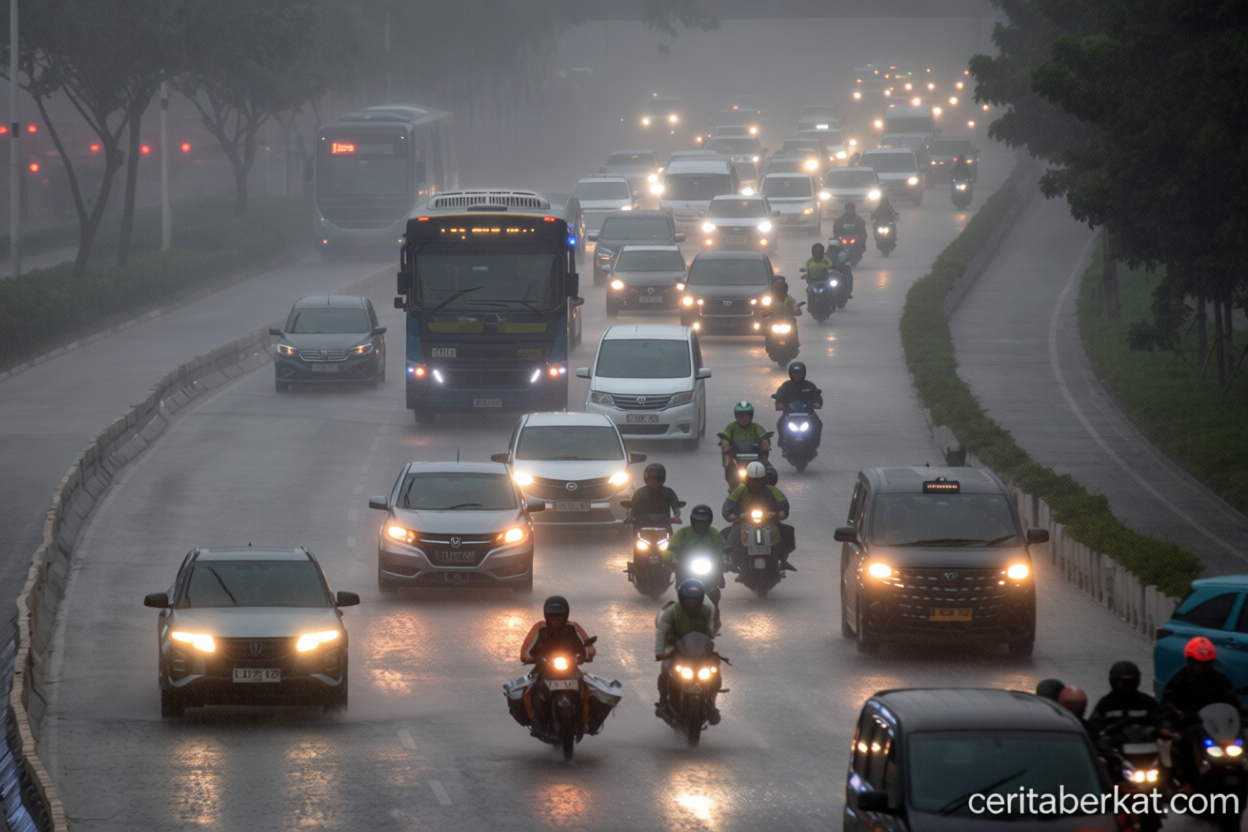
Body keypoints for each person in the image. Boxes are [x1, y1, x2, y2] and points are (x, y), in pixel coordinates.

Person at [1162, 637, 1242, 789]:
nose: (1201, 666)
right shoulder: (1181, 677)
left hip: (1218, 725)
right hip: (1190, 722)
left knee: (1240, 737)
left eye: (1206, 663)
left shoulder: (1220, 677)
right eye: (1197, 662)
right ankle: (1188, 781)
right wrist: (1177, 712)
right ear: (1190, 661)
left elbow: (1232, 700)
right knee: (1186, 740)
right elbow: (1167, 700)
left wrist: (1240, 711)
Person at [514, 596, 597, 728]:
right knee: (533, 688)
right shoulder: (540, 628)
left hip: (571, 668)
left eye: (560, 615)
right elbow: (525, 651)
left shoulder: (573, 627)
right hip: (543, 668)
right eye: (552, 615)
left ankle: (584, 721)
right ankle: (536, 721)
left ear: (566, 615)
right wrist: (532, 658)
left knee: (587, 687)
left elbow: (589, 648)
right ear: (546, 615)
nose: (556, 618)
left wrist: (583, 656)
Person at [655, 579, 722, 724]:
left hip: (699, 650)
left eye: (695, 599)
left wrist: (713, 633)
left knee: (715, 670)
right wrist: (660, 652)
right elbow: (662, 632)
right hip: (676, 649)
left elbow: (710, 632)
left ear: (700, 599)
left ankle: (712, 703)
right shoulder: (672, 611)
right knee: (666, 672)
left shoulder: (706, 611)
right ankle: (663, 702)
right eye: (688, 599)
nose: (692, 602)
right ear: (682, 599)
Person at [664, 504, 731, 628]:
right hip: (685, 570)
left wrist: (726, 560)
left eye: (703, 522)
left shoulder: (714, 533)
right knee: (682, 591)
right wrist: (671, 558)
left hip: (709, 571)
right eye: (697, 521)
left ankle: (715, 619)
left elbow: (723, 548)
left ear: (709, 521)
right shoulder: (683, 533)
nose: (700, 524)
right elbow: (669, 549)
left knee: (714, 593)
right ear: (692, 520)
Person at [723, 460, 796, 571]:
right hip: (743, 521)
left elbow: (782, 501)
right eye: (752, 480)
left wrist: (783, 511)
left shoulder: (772, 490)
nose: (756, 483)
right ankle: (734, 560)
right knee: (733, 534)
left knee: (787, 531)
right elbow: (729, 503)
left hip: (770, 521)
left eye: (759, 480)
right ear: (747, 479)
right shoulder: (740, 490)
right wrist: (729, 513)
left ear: (764, 479)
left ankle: (783, 558)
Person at [1091, 661, 1163, 730]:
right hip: (1114, 738)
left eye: (1128, 682)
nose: (1125, 686)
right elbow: (1094, 724)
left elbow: (1162, 720)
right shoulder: (1106, 703)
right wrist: (1101, 732)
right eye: (1120, 683)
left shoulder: (1146, 702)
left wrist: (1161, 730)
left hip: (1142, 738)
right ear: (1113, 682)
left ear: (1135, 681)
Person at [773, 361, 823, 452]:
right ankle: (782, 440)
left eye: (800, 373)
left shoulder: (809, 385)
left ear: (804, 373)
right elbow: (779, 396)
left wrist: (817, 403)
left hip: (808, 414)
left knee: (818, 424)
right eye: (795, 373)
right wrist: (778, 403)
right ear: (790, 374)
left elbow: (817, 395)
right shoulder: (786, 386)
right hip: (789, 414)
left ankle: (815, 443)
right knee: (780, 423)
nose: (798, 375)